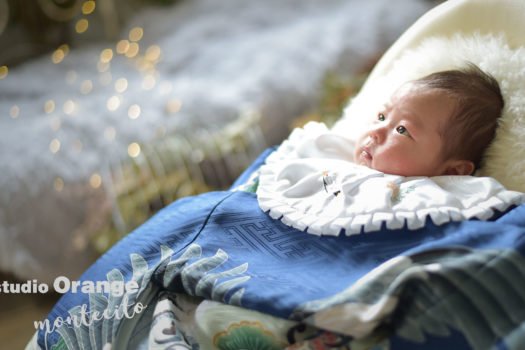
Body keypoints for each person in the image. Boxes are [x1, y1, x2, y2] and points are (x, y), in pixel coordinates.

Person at [353, 63, 504, 177]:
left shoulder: (437, 203)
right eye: (381, 117)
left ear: (451, 172)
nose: (375, 132)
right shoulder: (335, 152)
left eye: (402, 130)